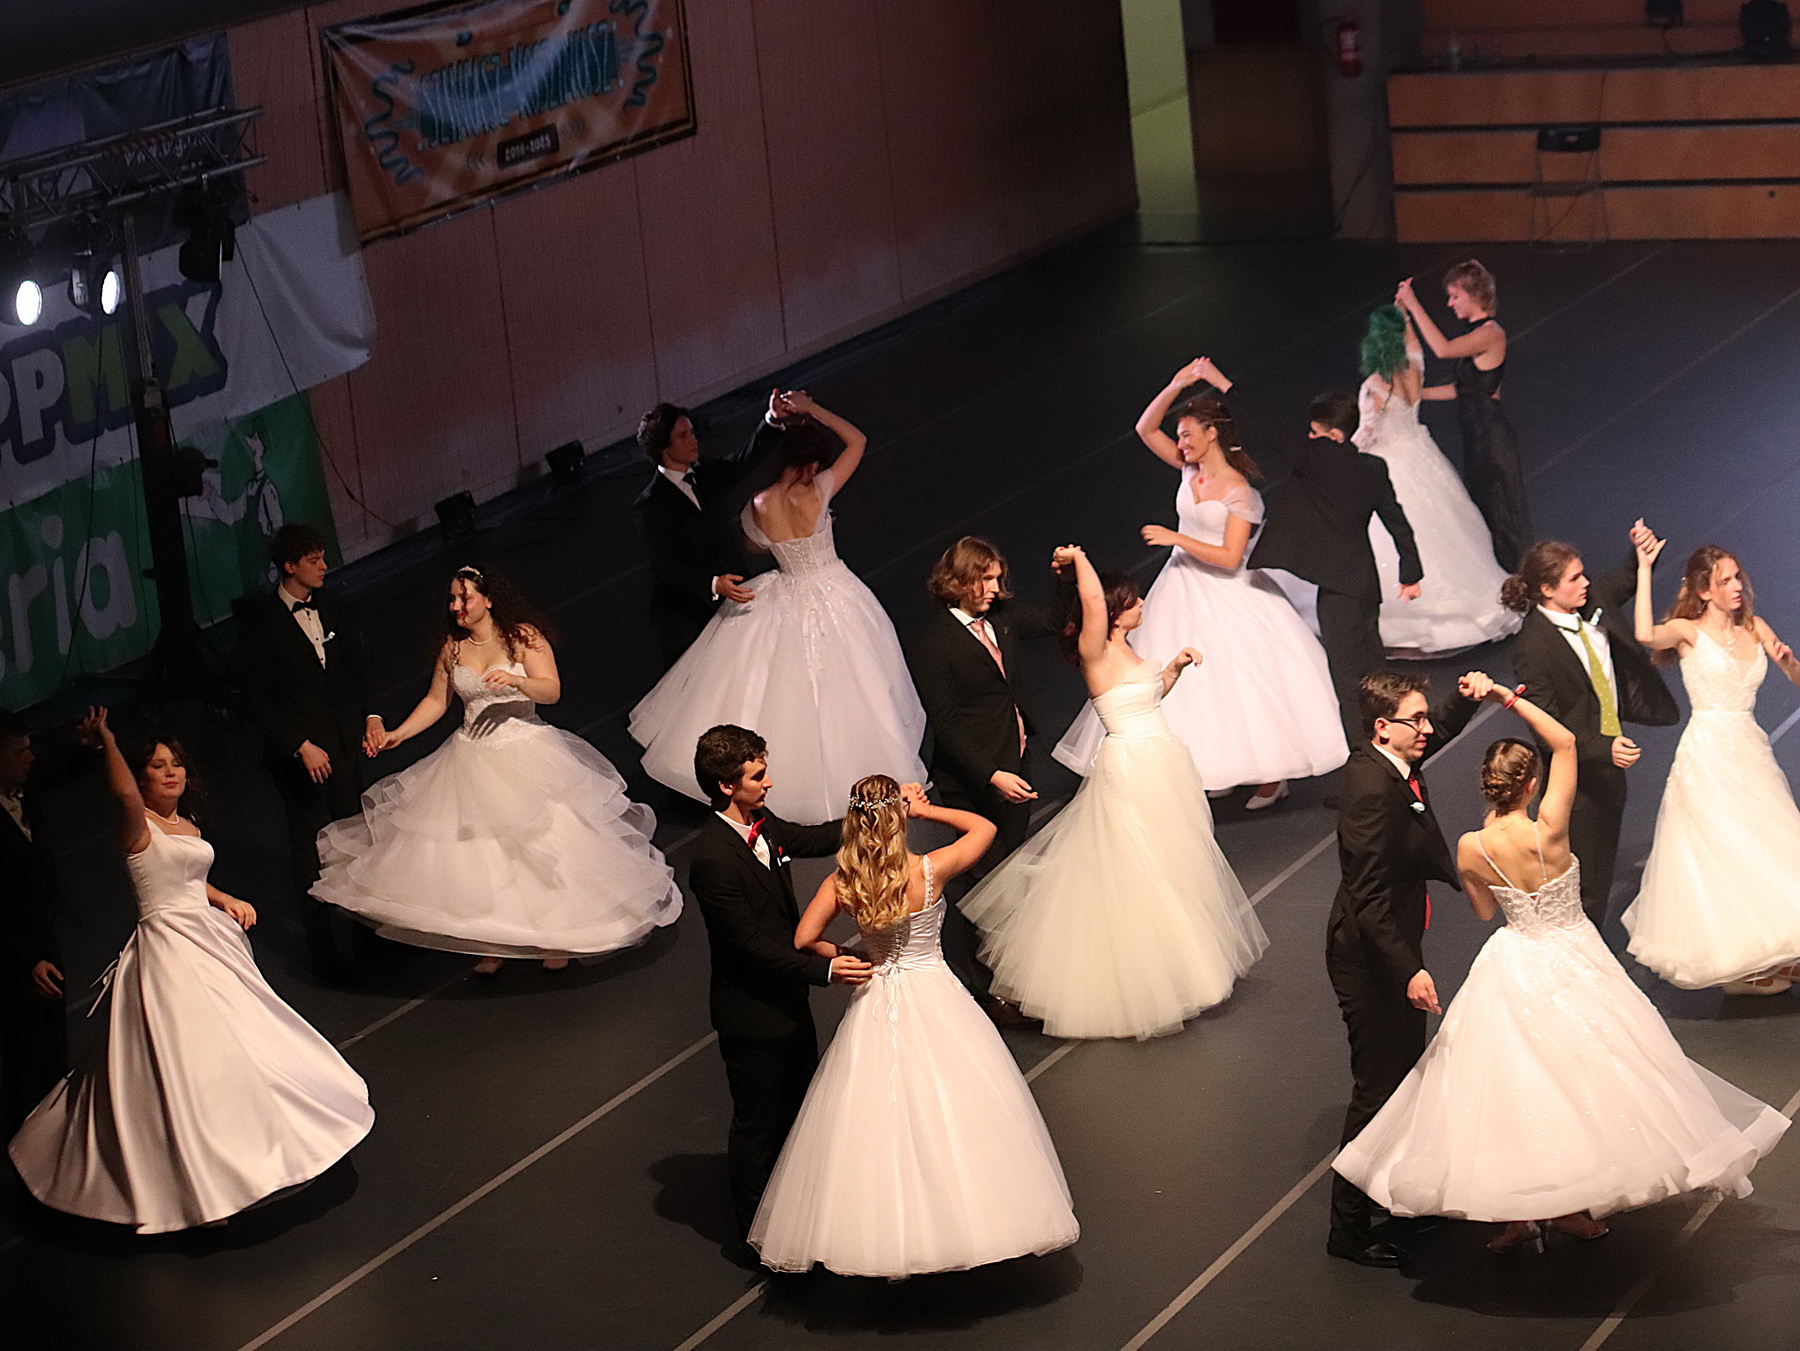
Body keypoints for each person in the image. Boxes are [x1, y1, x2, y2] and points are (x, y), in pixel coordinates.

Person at [1335, 681, 1788, 1253]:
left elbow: (1484, 912)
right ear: (1531, 785)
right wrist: (1506, 697)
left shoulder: (1472, 847)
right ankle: (1572, 1201)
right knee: (1594, 1074)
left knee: (1517, 1088)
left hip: (1514, 962)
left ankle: (1522, 1211)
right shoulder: (1550, 828)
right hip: (1574, 956)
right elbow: (1567, 743)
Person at [9, 710, 372, 1233]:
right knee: (184, 1065)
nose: (170, 772)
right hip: (168, 951)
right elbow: (126, 804)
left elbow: (186, 875)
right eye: (157, 766)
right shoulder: (135, 824)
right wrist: (108, 742)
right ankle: (191, 1185)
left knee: (239, 1051)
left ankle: (247, 1158)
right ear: (140, 778)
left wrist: (222, 897)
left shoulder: (185, 825)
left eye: (175, 764)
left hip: (209, 943)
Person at [750, 775, 1079, 1276]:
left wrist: (849, 957)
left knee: (872, 1111)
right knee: (956, 1104)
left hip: (877, 994)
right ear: (897, 818)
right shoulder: (929, 870)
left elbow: (803, 939)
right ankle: (965, 1222)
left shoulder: (843, 882)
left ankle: (885, 1233)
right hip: (935, 993)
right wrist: (926, 810)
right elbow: (984, 828)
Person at [962, 546, 1267, 1039]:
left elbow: (1145, 697)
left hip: (1160, 762)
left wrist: (1174, 668)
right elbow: (1090, 600)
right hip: (1132, 768)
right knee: (1138, 867)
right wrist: (1079, 559)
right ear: (1114, 609)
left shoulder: (1125, 649)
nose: (1143, 604)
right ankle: (1135, 985)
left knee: (1169, 865)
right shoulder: (1096, 650)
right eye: (1134, 599)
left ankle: (1176, 969)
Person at [313, 567, 679, 974]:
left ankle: (558, 934)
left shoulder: (522, 637)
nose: (457, 606)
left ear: (488, 600)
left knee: (545, 846)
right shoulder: (454, 648)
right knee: (483, 853)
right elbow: (436, 701)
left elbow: (551, 690)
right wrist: (399, 733)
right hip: (471, 755)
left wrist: (517, 682)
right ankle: (494, 940)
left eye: (465, 597)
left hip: (525, 750)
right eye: (452, 599)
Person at [1051, 361, 1346, 809]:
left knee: (1243, 682)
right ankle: (1220, 768)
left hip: (1230, 594)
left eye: (1189, 434)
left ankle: (1271, 777)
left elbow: (1229, 557)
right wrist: (1176, 385)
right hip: (1183, 587)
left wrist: (1177, 538)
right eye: (1181, 436)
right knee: (1197, 688)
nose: (1182, 443)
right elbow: (1145, 428)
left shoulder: (1238, 489)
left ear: (1212, 434)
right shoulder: (1189, 470)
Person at [630, 394, 928, 823]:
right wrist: (813, 410)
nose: (694, 439)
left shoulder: (759, 502)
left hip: (783, 591)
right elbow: (858, 441)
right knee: (857, 685)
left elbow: (755, 544)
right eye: (684, 435)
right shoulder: (819, 490)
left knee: (778, 690)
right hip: (833, 591)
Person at [685, 726, 872, 1255]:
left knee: (797, 1112)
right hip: (751, 1014)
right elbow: (747, 946)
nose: (769, 783)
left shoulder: (763, 825)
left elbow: (814, 838)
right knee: (759, 1127)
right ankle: (752, 1237)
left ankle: (792, 1217)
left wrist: (877, 811)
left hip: (787, 1004)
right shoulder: (713, 858)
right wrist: (825, 970)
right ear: (727, 786)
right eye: (758, 776)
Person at [1326, 670, 1482, 1268]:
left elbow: (1434, 727)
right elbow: (1367, 897)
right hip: (1370, 959)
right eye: (1415, 720)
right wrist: (1409, 970)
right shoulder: (1371, 790)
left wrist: (1460, 702)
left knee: (1404, 1082)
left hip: (1393, 944)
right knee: (1378, 1091)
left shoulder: (1391, 759)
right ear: (1381, 727)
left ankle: (1395, 1199)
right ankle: (1347, 1228)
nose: (1426, 729)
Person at [1205, 354, 1422, 743]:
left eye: (1314, 431)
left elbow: (1268, 424)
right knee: (1377, 670)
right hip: (1365, 586)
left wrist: (1223, 384)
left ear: (1331, 434)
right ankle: (1401, 738)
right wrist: (1410, 573)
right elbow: (1397, 521)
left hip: (1337, 592)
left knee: (1348, 680)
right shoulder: (1373, 468)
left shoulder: (1316, 457)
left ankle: (1365, 754)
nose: (1308, 437)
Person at [1624, 535, 1800, 994]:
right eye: (1725, 581)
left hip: (1750, 751)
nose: (1737, 586)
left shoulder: (1755, 627)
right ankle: (1741, 965)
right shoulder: (1688, 632)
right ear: (1704, 590)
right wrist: (1644, 569)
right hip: (1707, 755)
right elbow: (1644, 635)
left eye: (1737, 577)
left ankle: (1776, 952)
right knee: (1723, 852)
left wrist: (1790, 664)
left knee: (1764, 845)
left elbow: (1796, 678)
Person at [904, 536, 1065, 1001]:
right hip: (974, 779)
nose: (995, 588)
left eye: (998, 578)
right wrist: (992, 775)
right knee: (983, 877)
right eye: (986, 579)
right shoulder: (932, 643)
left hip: (1015, 762)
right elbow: (947, 724)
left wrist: (1066, 579)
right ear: (958, 581)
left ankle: (1014, 972)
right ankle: (984, 983)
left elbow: (1055, 621)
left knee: (1009, 868)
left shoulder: (1003, 618)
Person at [235, 522, 385, 984]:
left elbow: (360, 666)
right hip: (302, 763)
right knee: (311, 853)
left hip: (344, 749)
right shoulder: (262, 624)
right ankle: (324, 953)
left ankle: (372, 940)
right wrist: (299, 745)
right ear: (289, 566)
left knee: (359, 840)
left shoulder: (333, 605)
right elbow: (255, 697)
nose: (324, 566)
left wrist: (372, 716)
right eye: (314, 560)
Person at [1504, 533, 1678, 928]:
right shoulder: (1533, 649)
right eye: (1574, 578)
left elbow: (1625, 577)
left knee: (1603, 867)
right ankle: (1581, 951)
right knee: (1583, 884)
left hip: (1610, 769)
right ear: (1547, 590)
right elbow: (1545, 725)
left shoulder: (1589, 600)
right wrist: (1603, 747)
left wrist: (1640, 553)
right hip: (1576, 781)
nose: (1586, 583)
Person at [1351, 306, 1519, 657]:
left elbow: (1366, 434)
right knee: (1445, 526)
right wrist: (1406, 316)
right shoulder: (1414, 368)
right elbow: (1416, 348)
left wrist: (1341, 453)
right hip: (1420, 453)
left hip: (1390, 462)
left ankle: (1406, 619)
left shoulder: (1374, 386)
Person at [1396, 260, 1532, 571]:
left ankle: (1514, 578)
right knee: (1483, 513)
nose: (1450, 303)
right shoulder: (1477, 336)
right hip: (1477, 438)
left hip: (1491, 439)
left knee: (1500, 515)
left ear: (1474, 295)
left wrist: (1413, 303)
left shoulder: (1491, 334)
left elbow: (1442, 349)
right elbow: (1466, 390)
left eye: (1455, 296)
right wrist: (1416, 395)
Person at [633, 395, 788, 668]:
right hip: (690, 612)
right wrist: (713, 583)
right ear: (663, 447)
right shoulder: (652, 504)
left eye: (692, 433)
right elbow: (665, 566)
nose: (693, 440)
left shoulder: (705, 473)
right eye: (683, 436)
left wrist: (772, 420)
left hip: (736, 595)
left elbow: (743, 461)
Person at [0, 710, 65, 1136]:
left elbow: (59, 769)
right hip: (12, 961)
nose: (31, 758)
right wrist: (26, 961)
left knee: (53, 1045)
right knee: (22, 1058)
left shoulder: (23, 792)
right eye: (19, 752)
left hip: (44, 939)